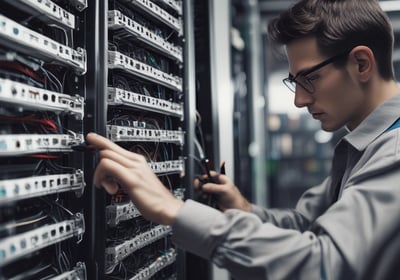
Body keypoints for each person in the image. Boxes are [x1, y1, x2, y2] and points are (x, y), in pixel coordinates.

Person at [86, 0, 400, 279]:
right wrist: (245, 211)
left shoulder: (393, 153)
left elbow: (324, 266)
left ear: (361, 63)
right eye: (295, 82)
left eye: (310, 78)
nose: (299, 101)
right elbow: (308, 225)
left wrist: (172, 209)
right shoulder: (366, 146)